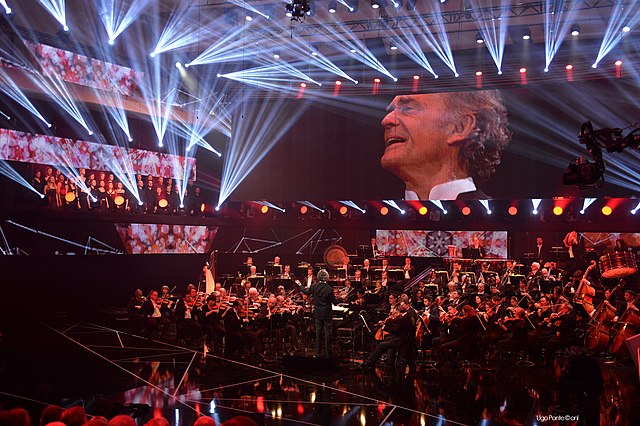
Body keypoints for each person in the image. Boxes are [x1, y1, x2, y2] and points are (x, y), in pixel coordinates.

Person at [380, 91, 511, 200]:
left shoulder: (508, 224)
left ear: (460, 127)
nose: (386, 120)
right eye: (391, 111)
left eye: (407, 108)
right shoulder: (370, 221)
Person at [298, 269, 339, 357]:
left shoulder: (314, 286)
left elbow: (305, 292)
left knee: (318, 332)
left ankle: (317, 352)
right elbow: (334, 302)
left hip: (317, 313)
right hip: (327, 314)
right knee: (328, 333)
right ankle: (328, 352)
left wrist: (300, 285)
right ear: (327, 278)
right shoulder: (329, 289)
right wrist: (341, 299)